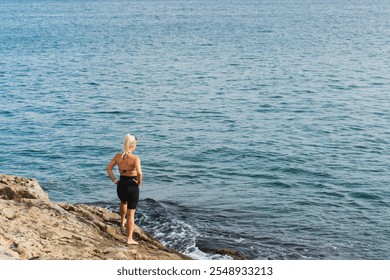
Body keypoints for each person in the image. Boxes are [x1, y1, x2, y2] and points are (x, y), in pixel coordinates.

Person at [106, 133, 143, 245]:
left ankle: (122, 222)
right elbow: (140, 173)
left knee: (123, 201)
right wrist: (139, 183)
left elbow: (108, 168)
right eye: (135, 144)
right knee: (131, 213)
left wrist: (114, 180)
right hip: (132, 185)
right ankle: (129, 239)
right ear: (132, 145)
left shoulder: (118, 156)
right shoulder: (135, 158)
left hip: (121, 184)